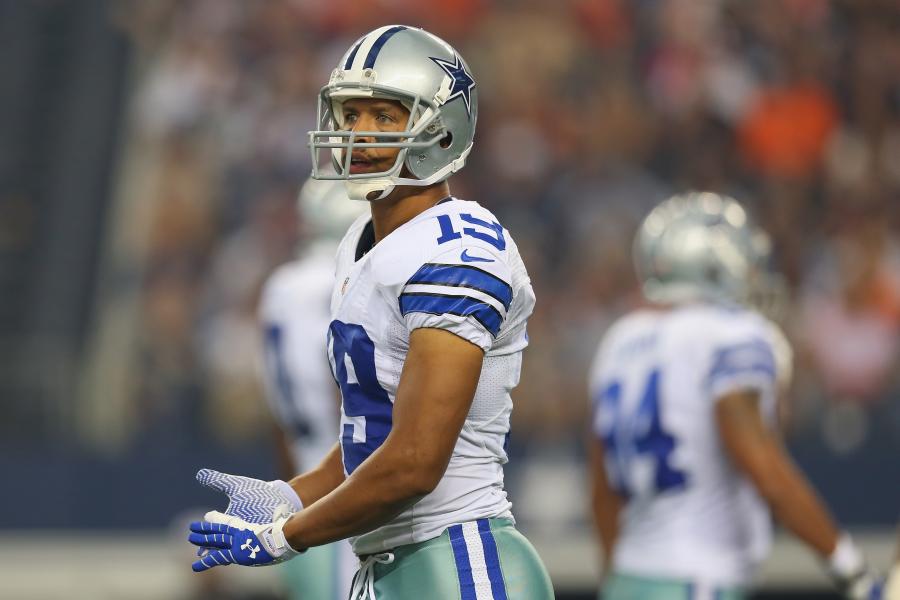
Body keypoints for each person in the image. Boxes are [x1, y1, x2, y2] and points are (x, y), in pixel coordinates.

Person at [187, 24, 554, 600]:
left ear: (441, 127)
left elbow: (413, 462)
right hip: (390, 565)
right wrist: (292, 494)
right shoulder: (359, 241)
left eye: (384, 116)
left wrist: (289, 534)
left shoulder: (460, 247)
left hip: (459, 560)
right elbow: (375, 435)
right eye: (350, 114)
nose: (358, 134)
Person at [587, 192, 883, 600]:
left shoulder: (620, 341)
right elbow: (765, 469)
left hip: (628, 580)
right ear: (715, 265)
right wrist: (852, 570)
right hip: (698, 580)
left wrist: (615, 576)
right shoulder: (732, 335)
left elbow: (602, 492)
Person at [258, 176, 367, 600]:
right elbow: (344, 382)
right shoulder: (344, 278)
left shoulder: (279, 287)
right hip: (347, 483)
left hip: (299, 487)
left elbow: (277, 417)